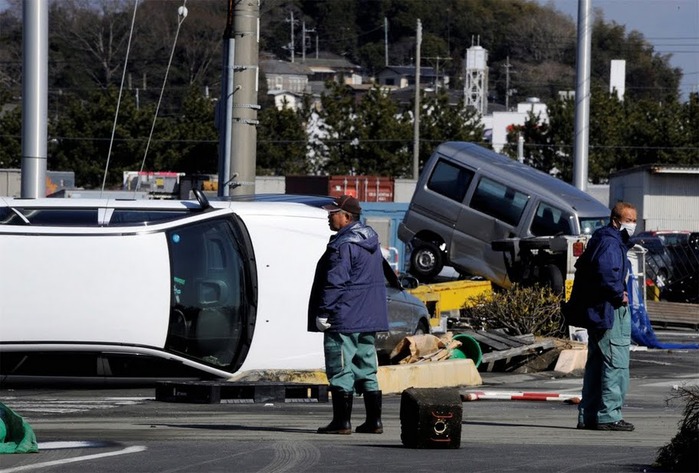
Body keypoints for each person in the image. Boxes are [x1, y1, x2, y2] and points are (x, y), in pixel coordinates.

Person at [307, 195, 389, 435]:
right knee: (366, 367)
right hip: (369, 317)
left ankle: (341, 422)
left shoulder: (344, 244)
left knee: (340, 367)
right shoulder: (370, 241)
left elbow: (336, 282)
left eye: (333, 213)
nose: (328, 216)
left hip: (344, 317)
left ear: (347, 216)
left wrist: (324, 312)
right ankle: (374, 422)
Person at [569, 201, 638, 431]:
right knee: (615, 364)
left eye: (635, 220)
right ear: (616, 220)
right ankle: (609, 415)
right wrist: (620, 295)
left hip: (597, 312)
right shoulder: (611, 243)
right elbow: (607, 274)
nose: (633, 225)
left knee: (596, 365)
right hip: (610, 311)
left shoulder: (602, 238)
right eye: (629, 220)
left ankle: (589, 415)